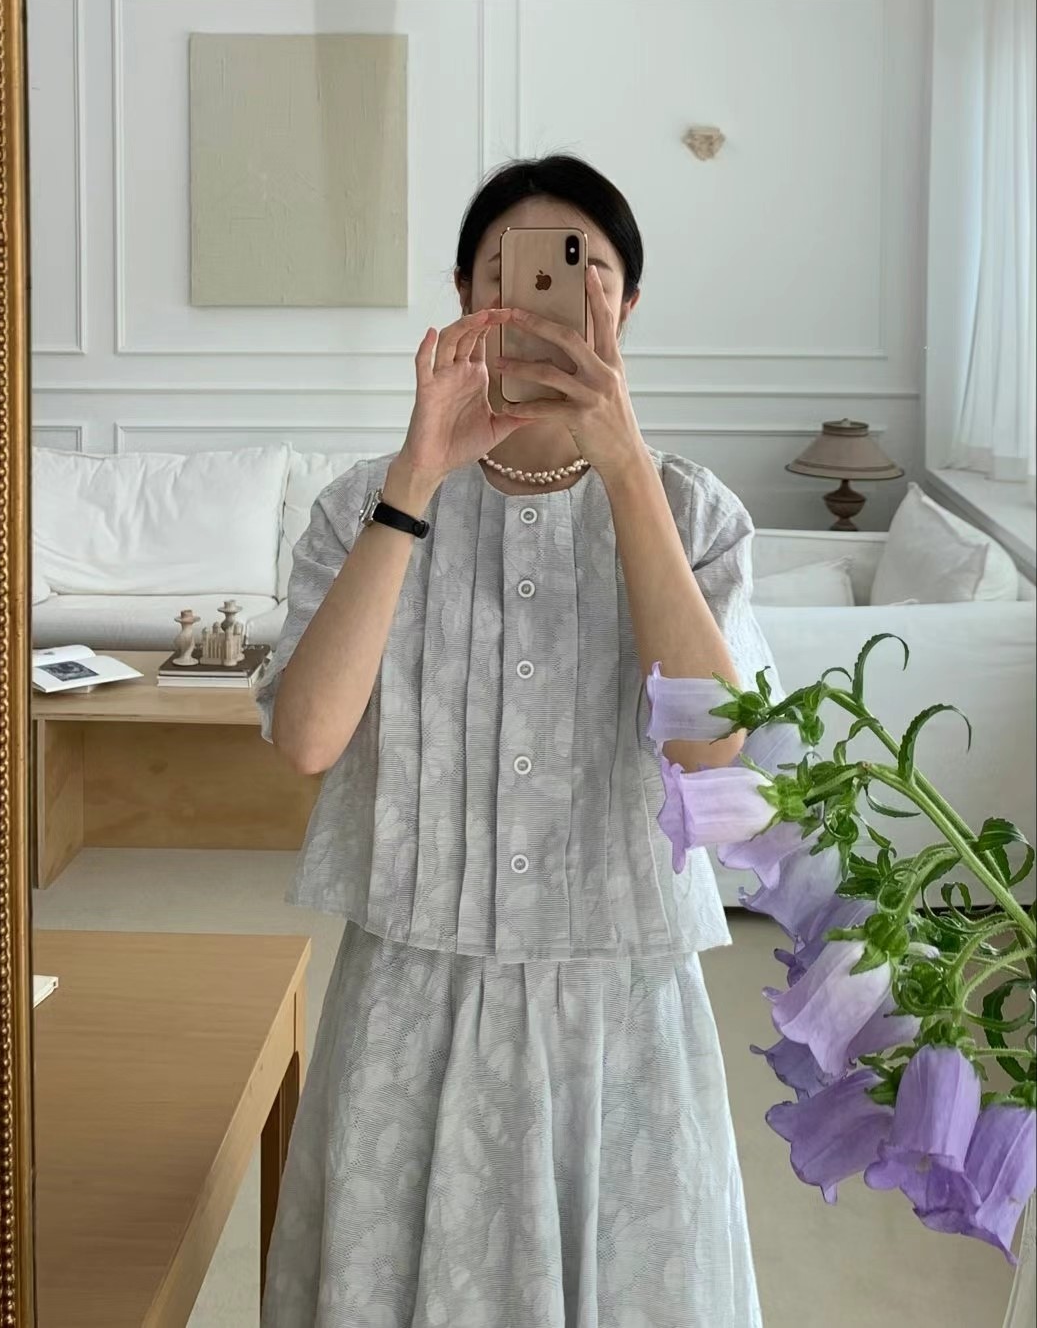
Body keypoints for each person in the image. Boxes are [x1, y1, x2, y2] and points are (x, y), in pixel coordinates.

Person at [257, 155, 773, 1327]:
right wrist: (415, 476)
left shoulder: (694, 511)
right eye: (509, 271)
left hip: (622, 1007)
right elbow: (307, 739)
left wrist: (623, 462)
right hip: (408, 999)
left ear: (623, 304)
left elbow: (715, 759)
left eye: (578, 272)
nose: (540, 299)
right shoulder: (363, 500)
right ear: (460, 296)